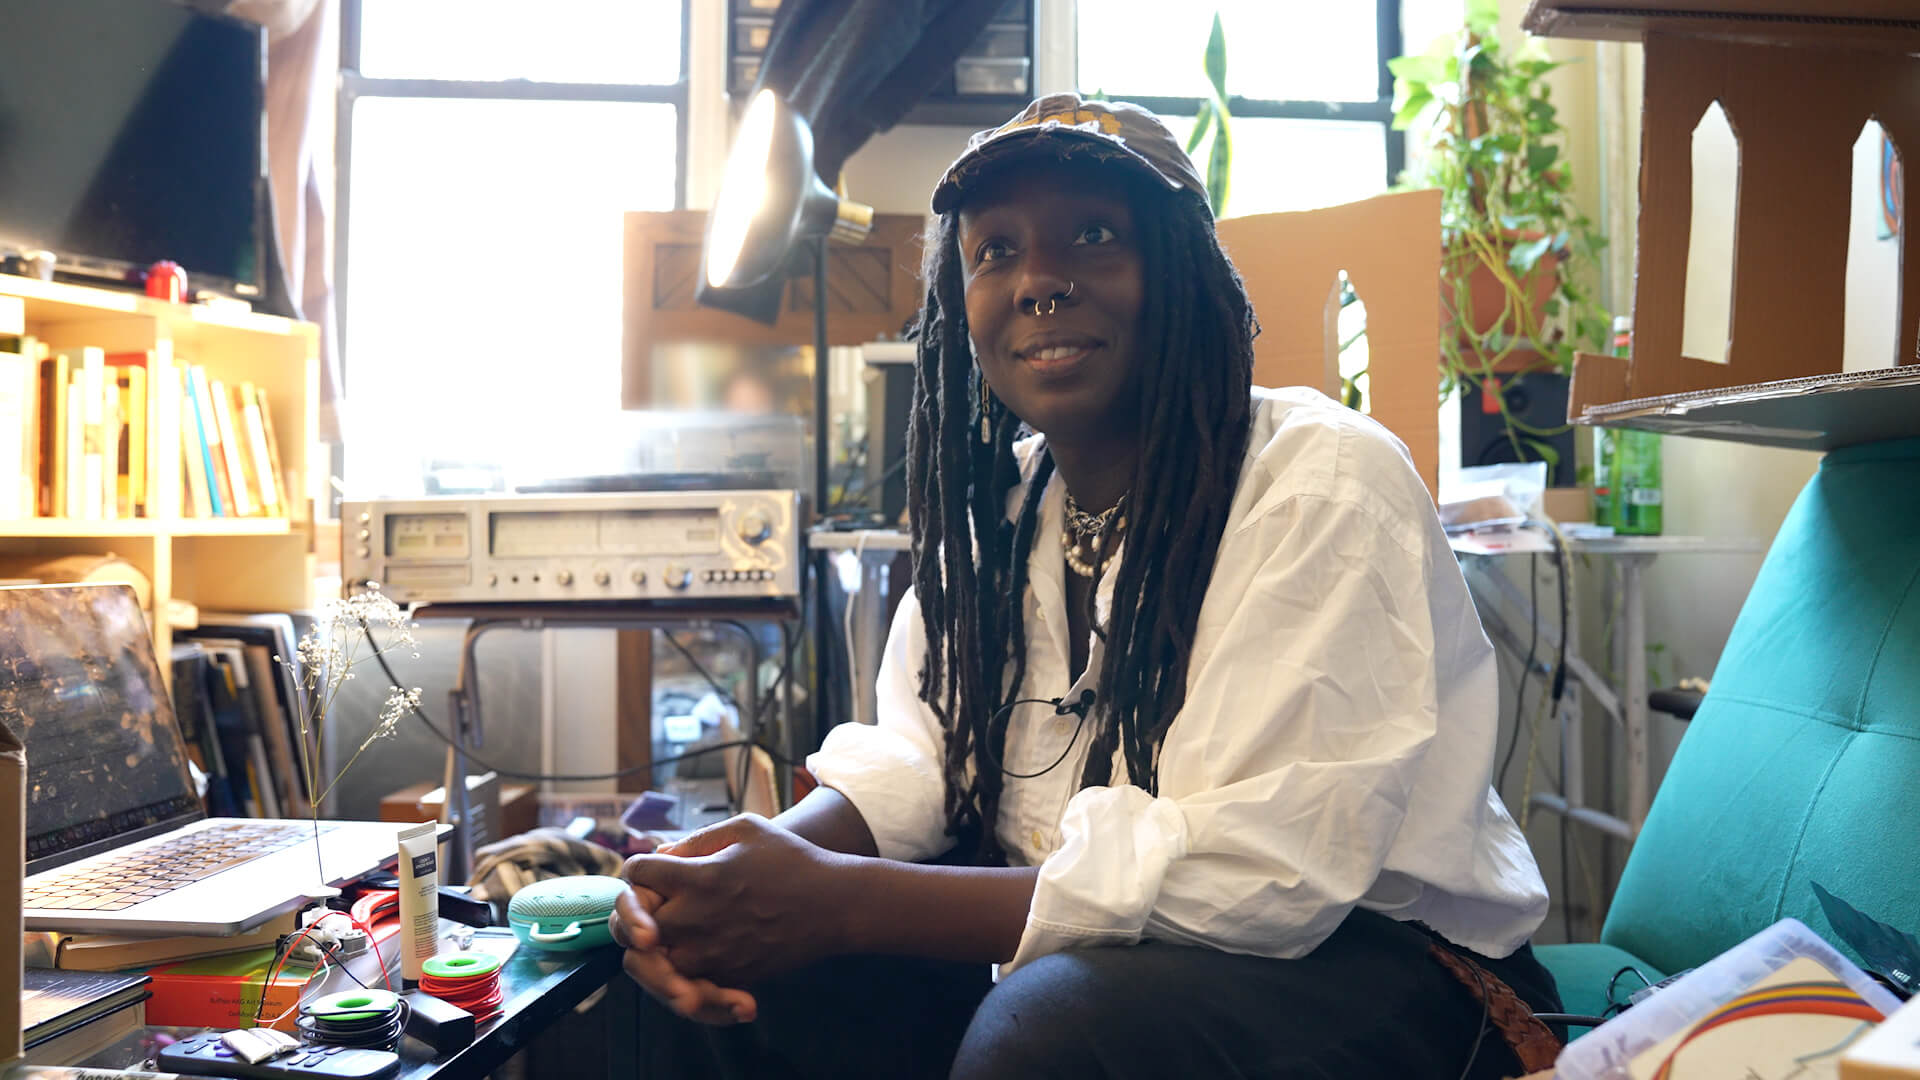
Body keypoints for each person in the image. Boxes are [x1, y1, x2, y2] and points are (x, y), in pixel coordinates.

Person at [611, 92, 1562, 1079]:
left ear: (1185, 274)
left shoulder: (1323, 479)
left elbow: (1265, 874)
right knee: (719, 972)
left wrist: (841, 899)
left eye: (1096, 236)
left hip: (1394, 966)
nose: (1039, 283)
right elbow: (919, 760)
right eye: (996, 252)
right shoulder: (1007, 511)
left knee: (1047, 1036)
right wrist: (750, 872)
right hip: (1110, 956)